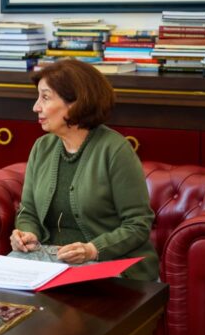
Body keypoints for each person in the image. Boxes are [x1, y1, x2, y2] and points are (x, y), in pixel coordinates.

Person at [10, 59, 159, 281]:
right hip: (49, 261)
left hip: (111, 264)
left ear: (75, 103)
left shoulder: (115, 150)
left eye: (45, 97)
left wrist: (93, 249)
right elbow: (28, 211)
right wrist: (27, 233)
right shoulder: (42, 147)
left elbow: (138, 224)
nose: (36, 107)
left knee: (69, 302)